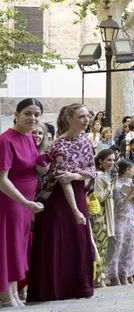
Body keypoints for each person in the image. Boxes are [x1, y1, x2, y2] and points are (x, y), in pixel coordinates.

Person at [28, 104, 97, 303]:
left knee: (79, 239)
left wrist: (75, 174)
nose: (86, 120)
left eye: (87, 116)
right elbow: (62, 180)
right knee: (58, 241)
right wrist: (75, 209)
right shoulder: (58, 144)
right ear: (69, 118)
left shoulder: (85, 140)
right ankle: (53, 289)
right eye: (81, 116)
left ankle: (79, 287)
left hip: (78, 191)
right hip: (59, 198)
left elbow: (91, 171)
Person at [0, 98, 46, 307]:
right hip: (10, 202)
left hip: (26, 204)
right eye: (28, 113)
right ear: (16, 114)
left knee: (18, 247)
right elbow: (2, 180)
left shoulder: (28, 137)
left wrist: (41, 169)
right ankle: (6, 295)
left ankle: (13, 292)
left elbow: (28, 168)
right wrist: (26, 203)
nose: (33, 118)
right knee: (8, 246)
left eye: (36, 114)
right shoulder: (6, 140)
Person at [106, 158, 134, 286]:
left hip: (130, 217)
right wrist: (131, 191)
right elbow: (121, 203)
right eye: (132, 169)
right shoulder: (117, 184)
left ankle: (125, 273)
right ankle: (114, 275)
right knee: (117, 247)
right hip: (119, 218)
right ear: (126, 170)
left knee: (129, 248)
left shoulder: (131, 182)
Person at [90, 149, 116, 288]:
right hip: (99, 216)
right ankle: (98, 278)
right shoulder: (99, 176)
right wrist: (110, 187)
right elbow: (99, 196)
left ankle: (100, 276)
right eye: (108, 160)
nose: (111, 163)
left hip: (106, 214)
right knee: (100, 247)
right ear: (100, 161)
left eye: (113, 160)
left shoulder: (105, 175)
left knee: (104, 247)